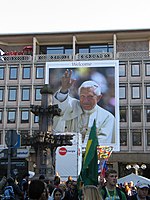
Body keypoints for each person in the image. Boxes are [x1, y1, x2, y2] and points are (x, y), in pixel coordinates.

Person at [53, 69, 115, 145]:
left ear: (98, 98)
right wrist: (64, 89)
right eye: (82, 96)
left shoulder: (107, 117)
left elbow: (101, 143)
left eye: (90, 97)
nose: (85, 101)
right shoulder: (73, 105)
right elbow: (60, 104)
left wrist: (76, 141)